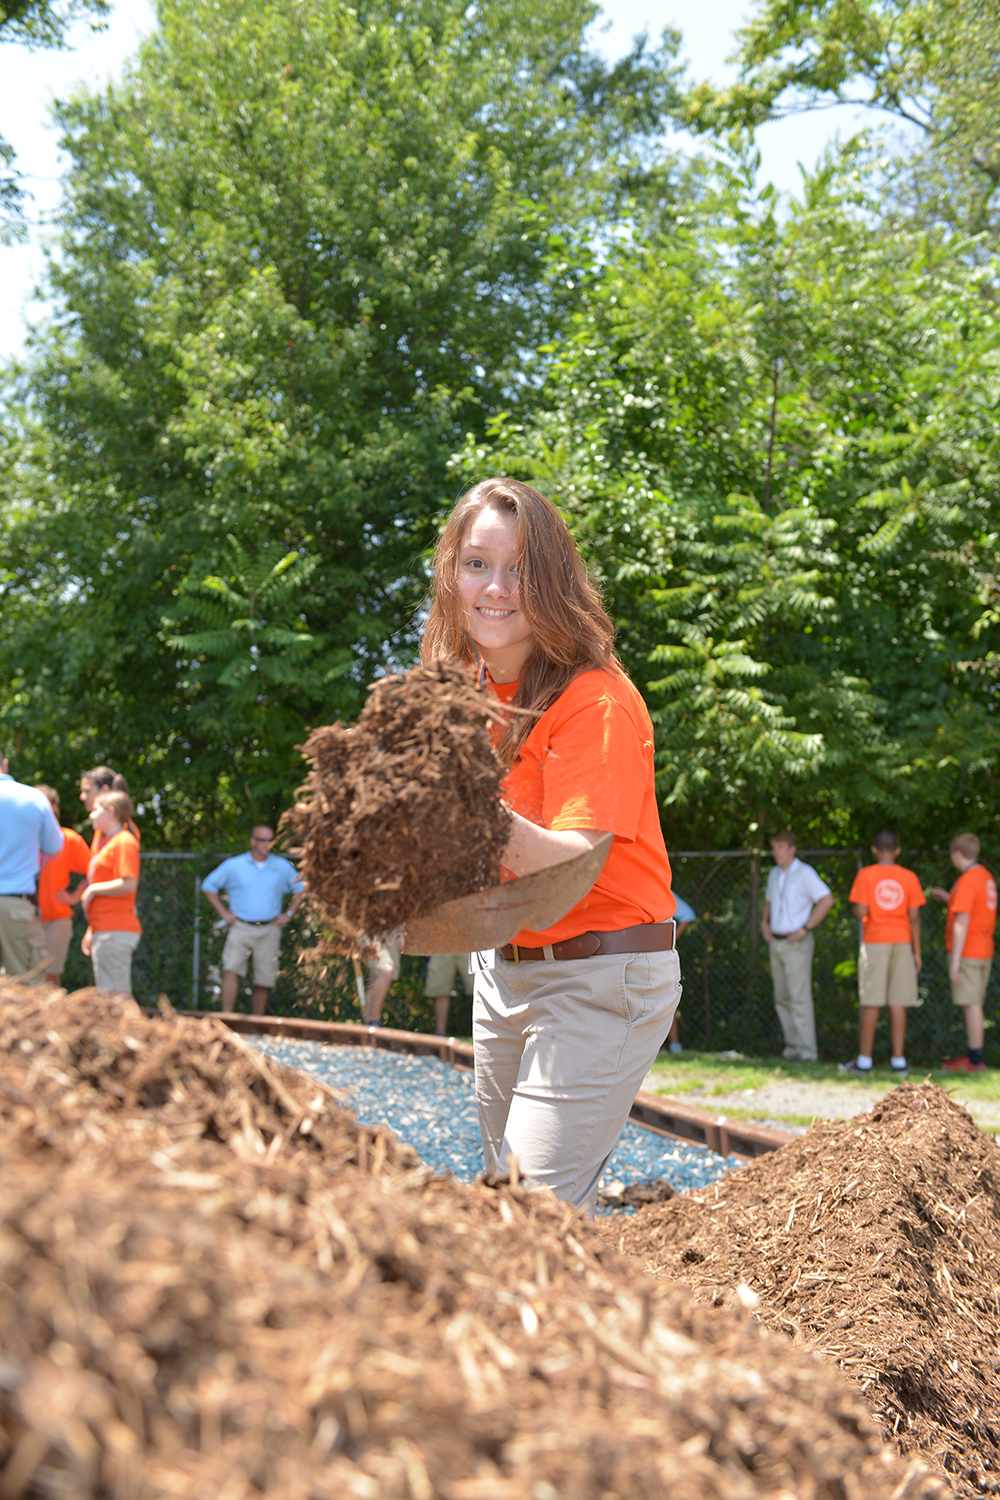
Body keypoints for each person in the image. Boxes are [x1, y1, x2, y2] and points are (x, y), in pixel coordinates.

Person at [420, 477, 680, 1214]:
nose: (495, 587)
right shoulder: (466, 694)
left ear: (554, 583)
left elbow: (573, 858)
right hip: (505, 973)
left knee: (522, 1218)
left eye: (520, 568)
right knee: (530, 1215)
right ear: (451, 576)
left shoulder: (594, 699)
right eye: (476, 564)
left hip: (600, 978)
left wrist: (457, 802)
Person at [839, 829, 925, 1075]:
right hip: (902, 942)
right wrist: (916, 952)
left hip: (875, 941)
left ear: (875, 850)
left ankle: (864, 1061)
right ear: (897, 850)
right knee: (899, 1001)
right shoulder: (908, 877)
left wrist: (861, 910)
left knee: (871, 1000)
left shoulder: (866, 875)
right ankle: (899, 1060)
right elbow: (915, 918)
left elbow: (860, 910)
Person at [201, 827, 304, 1016]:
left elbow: (300, 888)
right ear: (252, 841)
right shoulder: (234, 865)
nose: (267, 844)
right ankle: (227, 1017)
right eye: (262, 840)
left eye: (270, 840)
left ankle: (257, 1024)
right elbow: (208, 886)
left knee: (264, 978)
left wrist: (288, 914)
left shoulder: (281, 866)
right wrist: (224, 913)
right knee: (231, 970)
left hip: (270, 928)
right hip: (240, 927)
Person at [761, 831, 834, 1062]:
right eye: (774, 847)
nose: (776, 852)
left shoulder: (804, 873)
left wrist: (806, 928)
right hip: (777, 941)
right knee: (781, 997)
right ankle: (792, 1048)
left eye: (781, 847)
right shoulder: (774, 873)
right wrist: (764, 923)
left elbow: (827, 900)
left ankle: (807, 1052)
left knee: (799, 997)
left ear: (792, 849)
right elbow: (769, 900)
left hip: (796, 942)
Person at [931, 833, 996, 1073]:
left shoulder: (968, 880)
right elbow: (974, 908)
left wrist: (955, 961)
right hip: (983, 948)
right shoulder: (985, 877)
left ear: (957, 853)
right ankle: (975, 1057)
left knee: (971, 1004)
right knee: (974, 1003)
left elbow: (962, 922)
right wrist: (949, 898)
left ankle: (975, 1060)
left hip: (968, 950)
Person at [0, 756, 64, 981]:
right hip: (15, 906)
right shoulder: (33, 797)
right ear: (5, 763)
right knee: (28, 989)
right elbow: (55, 848)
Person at [80, 790, 142, 996]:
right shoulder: (108, 842)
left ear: (110, 812)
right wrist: (92, 929)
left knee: (119, 997)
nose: (91, 814)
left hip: (116, 929)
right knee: (109, 997)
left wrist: (92, 890)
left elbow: (129, 883)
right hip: (105, 929)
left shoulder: (123, 841)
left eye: (96, 809)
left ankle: (136, 1030)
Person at [35, 785, 91, 985]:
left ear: (55, 807)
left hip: (57, 919)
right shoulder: (25, 837)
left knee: (51, 977)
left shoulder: (68, 838)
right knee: (25, 977)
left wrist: (74, 897)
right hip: (27, 918)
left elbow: (92, 872)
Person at [79, 765, 140, 850]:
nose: (82, 797)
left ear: (104, 791)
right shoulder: (101, 826)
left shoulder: (122, 830)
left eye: (87, 791)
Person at [664, 896, 695, 1053]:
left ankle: (674, 1044)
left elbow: (688, 914)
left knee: (665, 999)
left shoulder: (660, 887)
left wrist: (668, 941)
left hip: (657, 955)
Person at [424, 952, 475, 1036]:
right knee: (440, 991)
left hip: (469, 944)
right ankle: (440, 1034)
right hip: (442, 945)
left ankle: (485, 1032)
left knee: (478, 990)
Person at [364, 936, 401, 1026]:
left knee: (377, 975)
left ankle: (369, 1020)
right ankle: (373, 1022)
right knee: (385, 971)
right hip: (368, 928)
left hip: (389, 929)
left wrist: (401, 932)